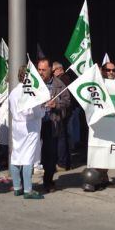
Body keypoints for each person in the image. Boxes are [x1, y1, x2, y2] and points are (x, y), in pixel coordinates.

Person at [8, 65, 45, 199]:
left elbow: (12, 109)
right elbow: (36, 113)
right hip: (30, 126)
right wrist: (43, 108)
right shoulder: (30, 93)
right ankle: (28, 189)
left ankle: (17, 187)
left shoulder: (13, 92)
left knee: (16, 155)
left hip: (17, 125)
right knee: (28, 156)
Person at [37, 58, 69, 193]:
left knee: (50, 154)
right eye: (39, 69)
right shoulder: (34, 83)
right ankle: (22, 182)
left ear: (51, 69)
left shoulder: (59, 84)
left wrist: (56, 105)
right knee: (30, 152)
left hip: (51, 123)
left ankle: (48, 181)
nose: (40, 72)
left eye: (43, 70)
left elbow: (67, 102)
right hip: (34, 123)